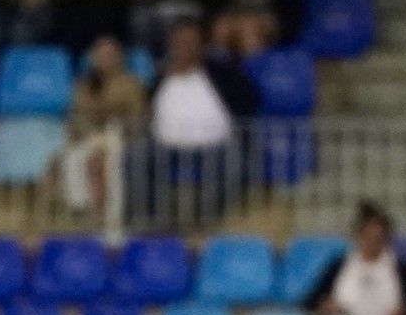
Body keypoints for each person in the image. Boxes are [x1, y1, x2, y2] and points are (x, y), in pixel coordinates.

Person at [132, 19, 259, 229]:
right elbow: (144, 106)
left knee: (235, 163)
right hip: (165, 145)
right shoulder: (161, 75)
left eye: (191, 41)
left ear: (202, 44)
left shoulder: (221, 72)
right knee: (134, 158)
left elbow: (249, 99)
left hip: (216, 145)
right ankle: (153, 221)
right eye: (180, 42)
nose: (185, 47)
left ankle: (204, 221)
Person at [58, 35, 148, 220]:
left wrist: (109, 116)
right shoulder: (82, 86)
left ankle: (112, 216)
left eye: (110, 54)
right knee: (72, 158)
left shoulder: (131, 84)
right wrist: (91, 127)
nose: (105, 59)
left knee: (111, 164)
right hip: (89, 136)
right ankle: (82, 207)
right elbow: (75, 117)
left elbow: (139, 118)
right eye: (101, 54)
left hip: (120, 138)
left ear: (119, 57)